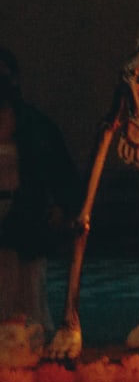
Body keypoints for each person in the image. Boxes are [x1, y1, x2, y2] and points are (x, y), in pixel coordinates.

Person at [0, 46, 80, 329]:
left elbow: (61, 170)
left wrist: (63, 208)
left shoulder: (34, 124)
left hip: (25, 215)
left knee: (27, 294)